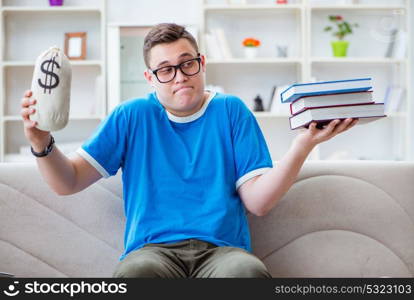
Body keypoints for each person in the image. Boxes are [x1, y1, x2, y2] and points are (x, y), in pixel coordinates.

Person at [20, 23, 358, 278]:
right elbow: (68, 182)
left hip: (223, 253)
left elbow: (259, 202)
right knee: (134, 276)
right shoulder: (131, 115)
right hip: (151, 252)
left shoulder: (231, 111)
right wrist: (40, 142)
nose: (179, 76)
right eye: (165, 70)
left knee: (246, 273)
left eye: (187, 63)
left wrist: (303, 144)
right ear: (150, 78)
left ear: (202, 62)